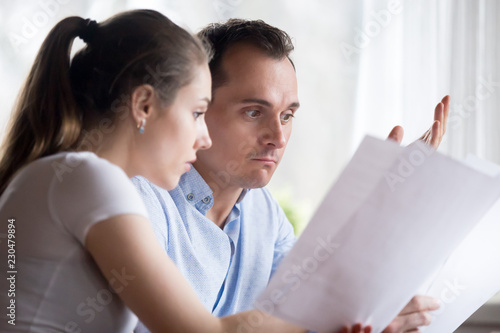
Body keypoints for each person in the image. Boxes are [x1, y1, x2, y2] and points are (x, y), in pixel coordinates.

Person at [0, 10, 367, 333]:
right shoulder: (93, 180)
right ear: (143, 105)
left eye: (288, 115)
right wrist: (332, 312)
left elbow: (305, 294)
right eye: (195, 113)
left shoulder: (73, 175)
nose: (202, 136)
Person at [133, 19, 449, 333]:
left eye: (287, 116)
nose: (278, 137)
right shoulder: (142, 199)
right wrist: (333, 311)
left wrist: (381, 208)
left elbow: (308, 311)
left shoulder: (265, 214)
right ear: (197, 108)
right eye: (254, 112)